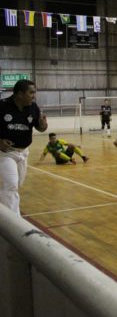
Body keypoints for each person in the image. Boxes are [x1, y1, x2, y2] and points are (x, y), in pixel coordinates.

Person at [0, 80, 48, 215]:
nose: (34, 96)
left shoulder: (33, 107)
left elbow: (41, 128)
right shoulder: (2, 106)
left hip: (23, 153)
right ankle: (13, 223)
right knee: (11, 185)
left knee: (16, 185)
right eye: (31, 92)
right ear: (20, 94)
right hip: (5, 154)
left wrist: (43, 125)